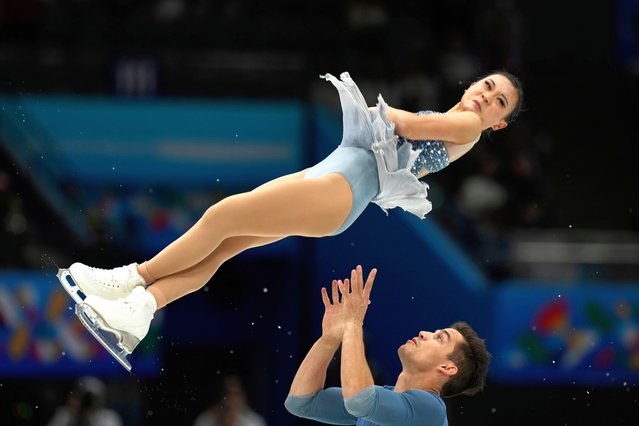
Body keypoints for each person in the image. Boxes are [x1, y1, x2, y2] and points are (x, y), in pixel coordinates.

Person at [57, 71, 522, 369]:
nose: (486, 98)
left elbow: (408, 126)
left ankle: (129, 282)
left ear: (499, 123)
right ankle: (141, 308)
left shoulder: (465, 127)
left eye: (498, 102)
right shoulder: (456, 119)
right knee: (226, 243)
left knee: (222, 216)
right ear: (472, 83)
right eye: (487, 86)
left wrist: (377, 110)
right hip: (336, 177)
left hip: (341, 188)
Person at [285, 265, 490, 426]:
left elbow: (359, 400)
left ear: (447, 368)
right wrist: (329, 339)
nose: (424, 333)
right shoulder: (381, 399)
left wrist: (354, 324)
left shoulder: (431, 409)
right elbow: (301, 403)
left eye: (439, 338)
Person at [192, 375, 267, 426]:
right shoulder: (207, 419)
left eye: (235, 394)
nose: (232, 399)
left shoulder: (254, 421)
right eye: (228, 394)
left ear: (243, 396)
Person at [47, 376, 123, 426]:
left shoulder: (109, 419)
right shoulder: (64, 416)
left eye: (90, 401)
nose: (86, 404)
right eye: (83, 399)